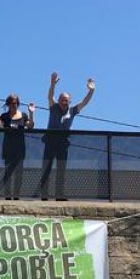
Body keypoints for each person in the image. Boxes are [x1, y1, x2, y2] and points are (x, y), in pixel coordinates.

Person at [36, 72, 95, 201]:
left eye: (66, 101)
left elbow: (84, 103)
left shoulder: (72, 111)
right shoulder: (54, 108)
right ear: (59, 101)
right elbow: (50, 97)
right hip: (50, 141)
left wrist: (91, 91)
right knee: (46, 167)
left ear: (70, 102)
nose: (64, 103)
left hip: (63, 143)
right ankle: (44, 194)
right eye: (62, 100)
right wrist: (52, 84)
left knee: (61, 169)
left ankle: (59, 195)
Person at [0, 93, 35, 200]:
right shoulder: (4, 116)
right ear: (8, 104)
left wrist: (31, 113)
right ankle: (8, 196)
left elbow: (30, 126)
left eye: (16, 103)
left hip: (20, 148)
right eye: (12, 103)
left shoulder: (23, 115)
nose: (14, 105)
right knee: (8, 173)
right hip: (8, 148)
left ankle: (16, 196)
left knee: (19, 174)